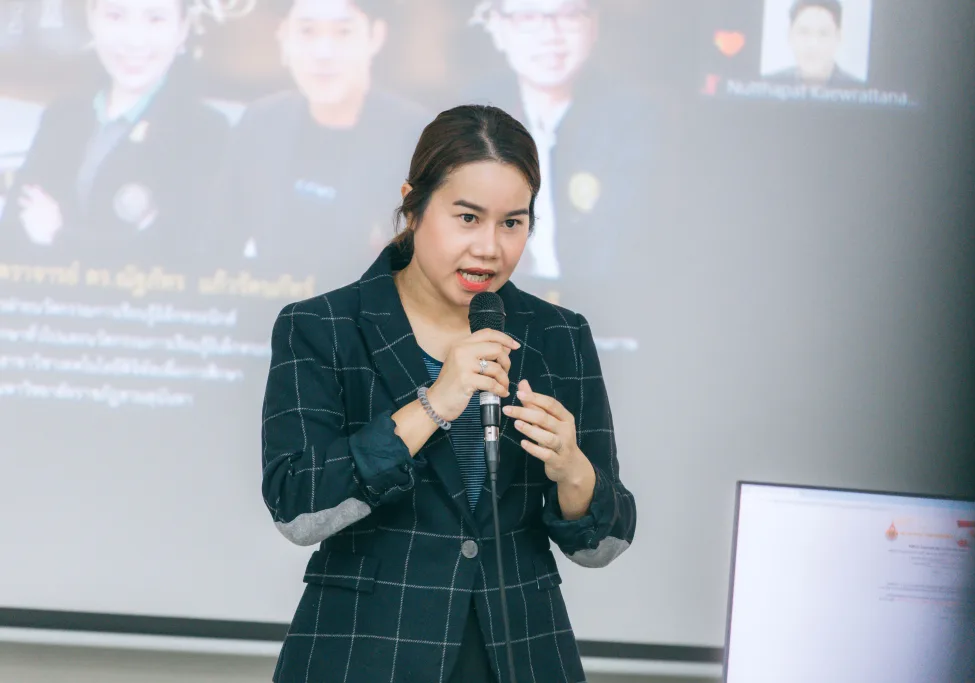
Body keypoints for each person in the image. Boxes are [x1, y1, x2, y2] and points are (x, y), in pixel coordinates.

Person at [261, 104, 636, 682]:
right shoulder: (323, 326)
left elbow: (603, 544)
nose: (489, 248)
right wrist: (434, 404)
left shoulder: (559, 336)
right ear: (412, 205)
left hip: (520, 655)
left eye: (512, 223)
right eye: (467, 218)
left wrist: (574, 472)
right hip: (365, 654)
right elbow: (297, 508)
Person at [465, 0, 669, 317]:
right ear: (497, 28)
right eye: (529, 16)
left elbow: (629, 249)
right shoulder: (472, 111)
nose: (551, 35)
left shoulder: (636, 119)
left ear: (593, 25)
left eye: (569, 15)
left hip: (602, 315)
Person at [215, 0, 431, 294]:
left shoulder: (416, 133)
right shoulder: (261, 121)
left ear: (375, 37)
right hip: (272, 309)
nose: (323, 53)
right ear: (283, 36)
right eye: (307, 31)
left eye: (343, 32)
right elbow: (223, 239)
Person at [0, 0, 229, 268]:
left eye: (155, 19)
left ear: (182, 29)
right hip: (42, 293)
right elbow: (13, 234)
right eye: (116, 16)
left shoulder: (204, 130)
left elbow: (171, 252)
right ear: (92, 19)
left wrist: (59, 236)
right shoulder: (63, 116)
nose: (135, 40)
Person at [766, 0, 864, 86]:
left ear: (838, 37)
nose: (813, 44)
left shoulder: (858, 89)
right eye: (804, 32)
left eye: (823, 34)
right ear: (789, 35)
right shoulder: (768, 85)